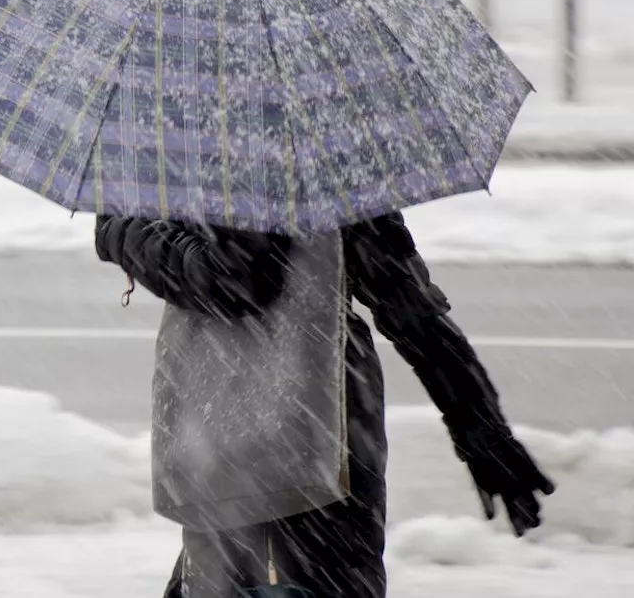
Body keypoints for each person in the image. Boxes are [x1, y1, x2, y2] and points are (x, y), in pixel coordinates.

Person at [95, 212, 555, 598]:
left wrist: (122, 229)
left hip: (270, 452)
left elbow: (232, 276)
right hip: (321, 441)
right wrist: (478, 424)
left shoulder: (234, 145)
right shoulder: (322, 151)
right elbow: (405, 299)